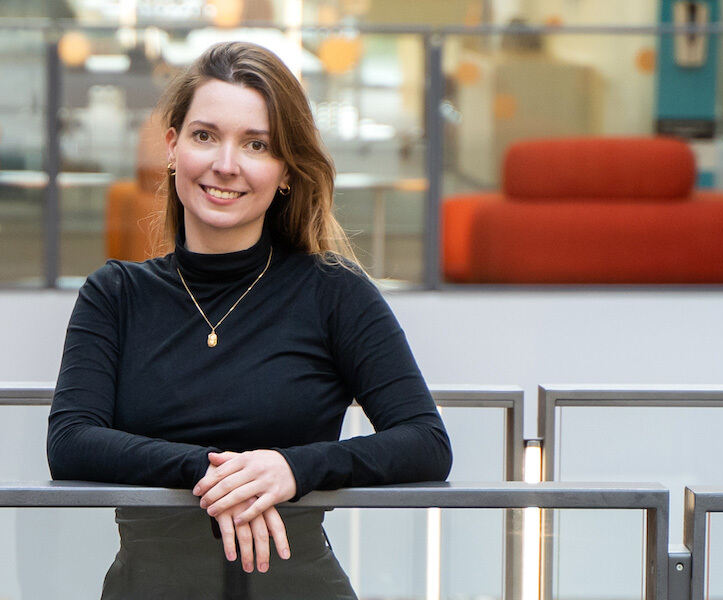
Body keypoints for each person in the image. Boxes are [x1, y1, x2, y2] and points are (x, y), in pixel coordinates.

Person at [46, 41, 452, 599]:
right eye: (205, 135)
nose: (225, 164)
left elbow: (426, 442)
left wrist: (291, 469)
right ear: (172, 147)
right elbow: (70, 441)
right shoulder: (115, 294)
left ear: (286, 171)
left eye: (256, 144)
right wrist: (214, 473)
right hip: (151, 588)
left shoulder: (333, 291)